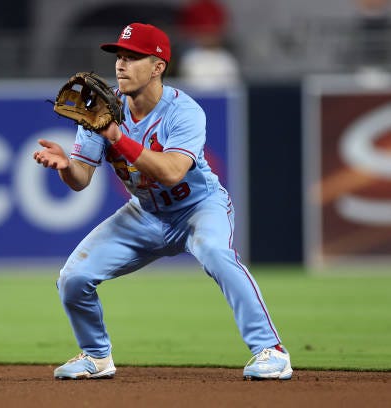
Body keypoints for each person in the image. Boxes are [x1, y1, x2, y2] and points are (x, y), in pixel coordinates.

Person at [33, 22, 292, 381]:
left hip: (198, 208)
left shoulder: (183, 112)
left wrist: (117, 138)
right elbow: (80, 180)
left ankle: (271, 351)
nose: (121, 65)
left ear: (158, 67)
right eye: (119, 57)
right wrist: (65, 167)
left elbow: (172, 172)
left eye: (133, 57)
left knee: (217, 254)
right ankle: (96, 356)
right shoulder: (101, 108)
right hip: (146, 213)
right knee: (73, 277)